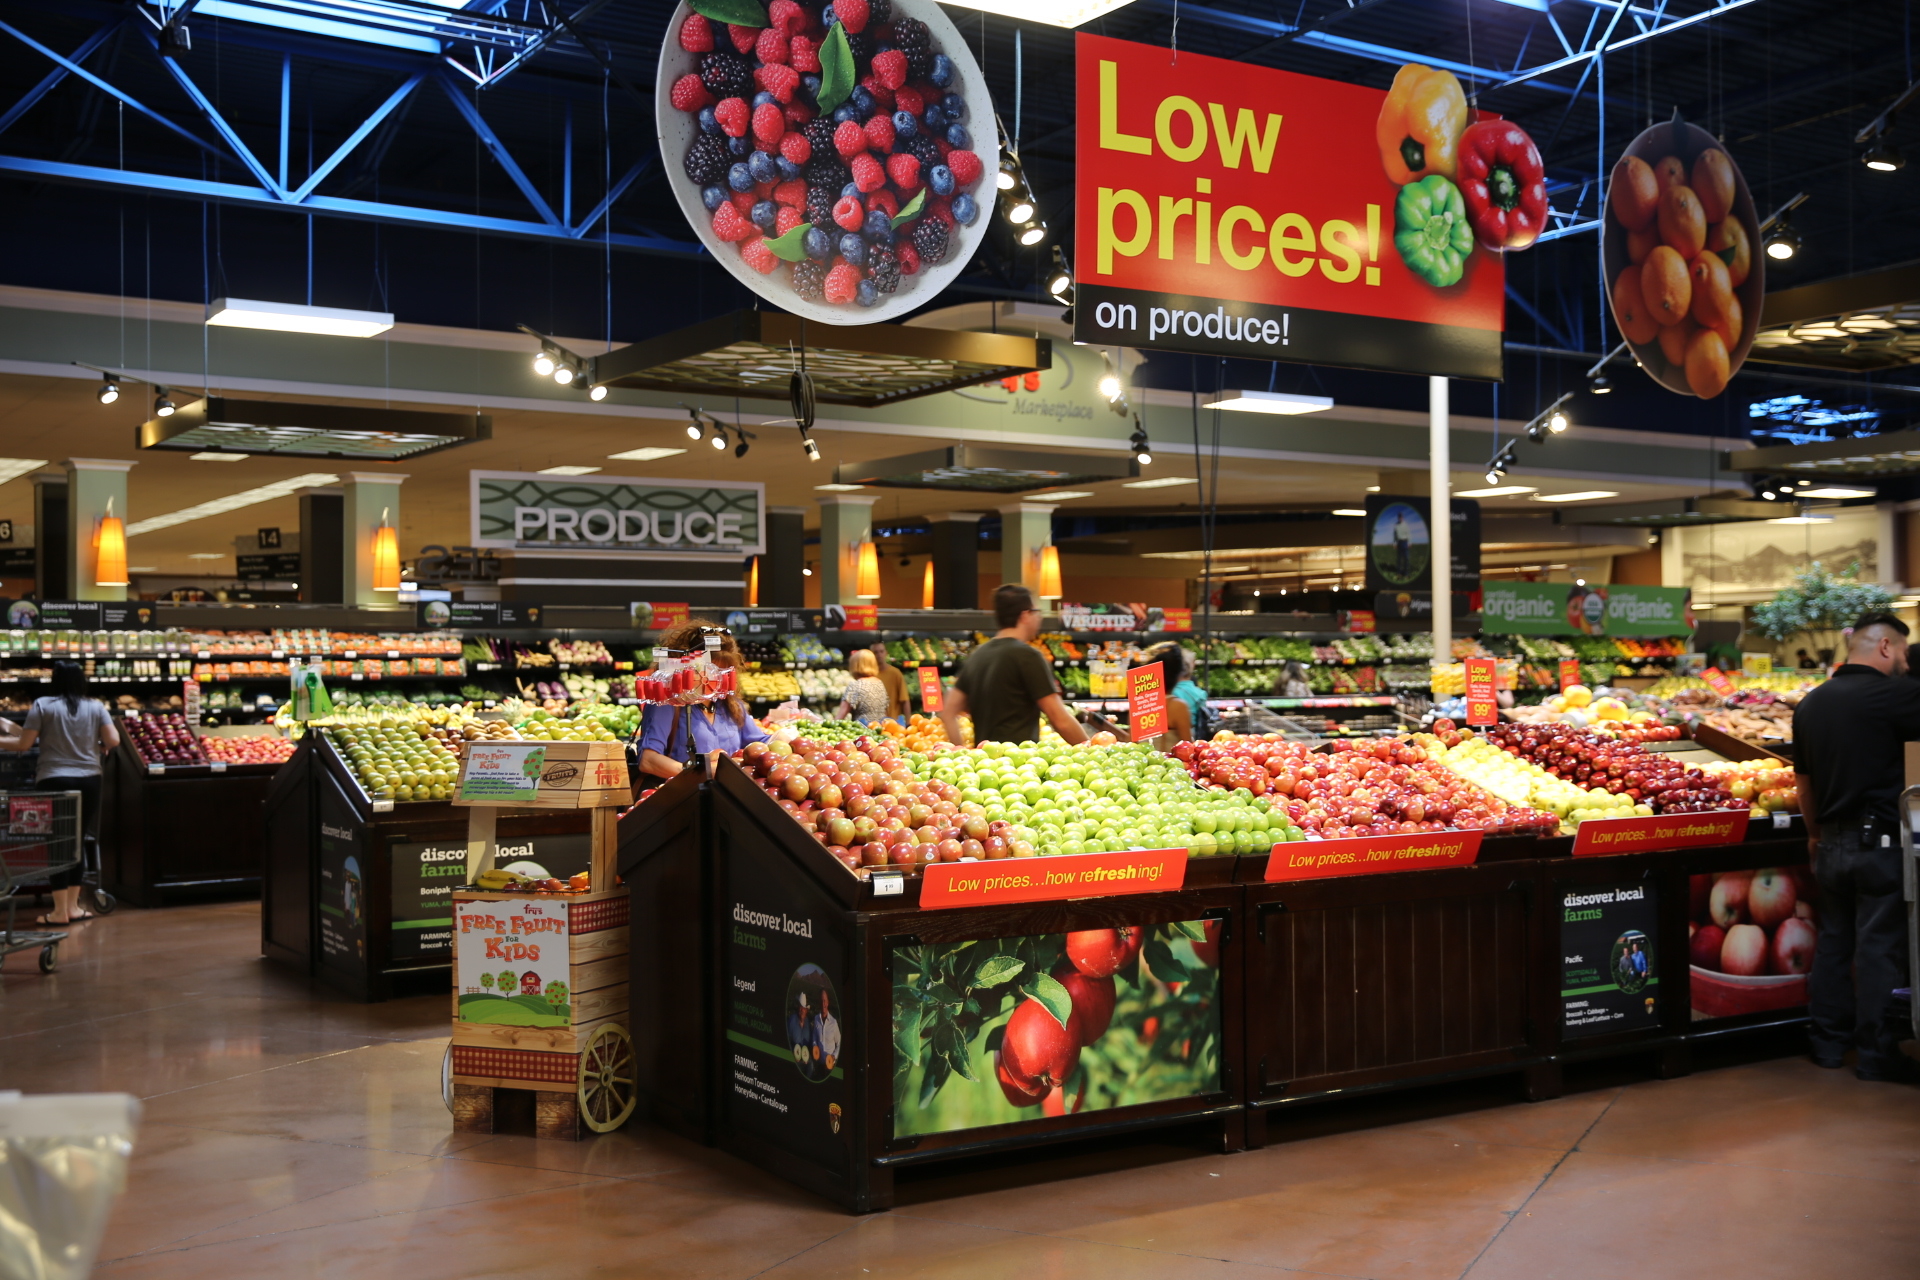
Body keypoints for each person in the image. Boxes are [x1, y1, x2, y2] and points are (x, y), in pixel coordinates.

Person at [1791, 611, 1920, 1082]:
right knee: (1878, 948)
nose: (1905, 660)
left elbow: (1803, 785)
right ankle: (1876, 1054)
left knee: (1833, 943)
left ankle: (1827, 1045)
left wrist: (1814, 836)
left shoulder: (1811, 703)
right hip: (1880, 845)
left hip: (1831, 843)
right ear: (1886, 646)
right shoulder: (1898, 695)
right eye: (1902, 650)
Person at [0, 660, 119, 925]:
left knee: (57, 843)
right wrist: (97, 743)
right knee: (76, 840)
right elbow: (113, 740)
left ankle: (59, 912)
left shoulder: (43, 705)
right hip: (89, 779)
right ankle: (74, 908)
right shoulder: (95, 706)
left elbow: (24, 744)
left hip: (54, 780)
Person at [941, 584, 1088, 746]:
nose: (1039, 618)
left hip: (984, 759)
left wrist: (960, 751)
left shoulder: (977, 655)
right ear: (1025, 615)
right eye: (1036, 612)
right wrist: (1091, 749)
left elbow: (948, 712)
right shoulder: (1028, 656)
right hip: (1019, 759)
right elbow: (1060, 720)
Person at [635, 621, 769, 782]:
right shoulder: (668, 702)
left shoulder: (730, 704)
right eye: (711, 671)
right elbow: (648, 761)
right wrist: (700, 773)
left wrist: (786, 740)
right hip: (683, 793)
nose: (715, 680)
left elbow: (758, 743)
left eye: (723, 673)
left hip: (727, 792)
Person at [1135, 644, 1194, 743]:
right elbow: (1187, 747)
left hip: (1142, 754)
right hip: (1168, 754)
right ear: (1178, 673)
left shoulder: (1142, 703)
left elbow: (1131, 742)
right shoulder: (1177, 706)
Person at [836, 649, 891, 725]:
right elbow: (885, 711)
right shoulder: (880, 684)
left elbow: (841, 716)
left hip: (862, 729)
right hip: (880, 728)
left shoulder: (855, 685)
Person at [870, 641, 912, 720]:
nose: (879, 655)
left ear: (886, 653)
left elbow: (905, 700)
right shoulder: (869, 674)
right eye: (875, 652)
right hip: (873, 721)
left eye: (881, 651)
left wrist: (908, 722)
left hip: (893, 721)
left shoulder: (895, 673)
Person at [815, 988, 842, 1073]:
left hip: (830, 1067)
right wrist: (814, 1046)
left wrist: (834, 1056)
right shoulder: (816, 1019)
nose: (823, 1004)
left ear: (828, 1002)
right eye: (821, 1001)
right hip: (818, 1064)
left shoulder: (833, 1023)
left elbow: (839, 1043)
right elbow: (814, 1037)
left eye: (824, 1001)